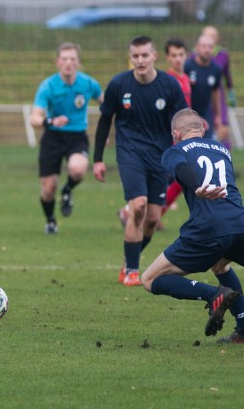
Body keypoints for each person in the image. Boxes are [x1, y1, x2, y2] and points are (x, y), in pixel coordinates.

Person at [141, 108, 244, 344]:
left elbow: (182, 169)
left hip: (210, 227)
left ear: (175, 134)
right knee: (220, 266)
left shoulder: (175, 150)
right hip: (241, 223)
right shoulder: (223, 149)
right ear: (203, 129)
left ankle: (213, 295)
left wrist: (196, 187)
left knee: (150, 279)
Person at [93, 36, 188, 286]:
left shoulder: (169, 85)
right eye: (135, 56)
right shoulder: (118, 85)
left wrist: (187, 152)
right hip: (129, 154)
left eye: (145, 55)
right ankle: (132, 272)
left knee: (153, 219)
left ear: (154, 56)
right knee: (138, 207)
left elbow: (182, 120)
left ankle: (128, 261)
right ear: (130, 57)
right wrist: (98, 160)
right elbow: (105, 120)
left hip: (159, 157)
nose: (140, 60)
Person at [29, 43, 103, 234]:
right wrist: (51, 120)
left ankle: (68, 189)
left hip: (77, 136)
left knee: (77, 169)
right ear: (57, 62)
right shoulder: (48, 86)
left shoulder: (89, 84)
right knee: (48, 189)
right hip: (52, 137)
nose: (68, 63)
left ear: (78, 62)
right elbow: (34, 118)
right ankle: (51, 220)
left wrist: (108, 127)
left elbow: (106, 104)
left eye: (72, 59)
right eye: (64, 59)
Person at [119, 38, 191, 228]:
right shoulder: (166, 81)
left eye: (181, 55)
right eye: (173, 55)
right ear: (165, 57)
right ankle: (133, 212)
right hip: (167, 140)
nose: (177, 59)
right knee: (179, 177)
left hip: (181, 135)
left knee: (177, 178)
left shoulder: (185, 79)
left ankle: (152, 214)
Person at [201, 25, 236, 149]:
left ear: (217, 39)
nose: (209, 38)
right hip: (202, 98)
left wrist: (231, 91)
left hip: (218, 96)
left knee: (223, 131)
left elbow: (227, 75)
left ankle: (226, 164)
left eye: (212, 36)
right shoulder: (194, 55)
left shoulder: (223, 54)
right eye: (207, 35)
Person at [185, 33, 223, 140]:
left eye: (210, 46)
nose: (207, 50)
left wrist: (218, 116)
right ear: (197, 47)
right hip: (188, 114)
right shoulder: (187, 66)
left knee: (207, 145)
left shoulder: (216, 69)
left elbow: (216, 92)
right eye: (203, 46)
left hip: (206, 114)